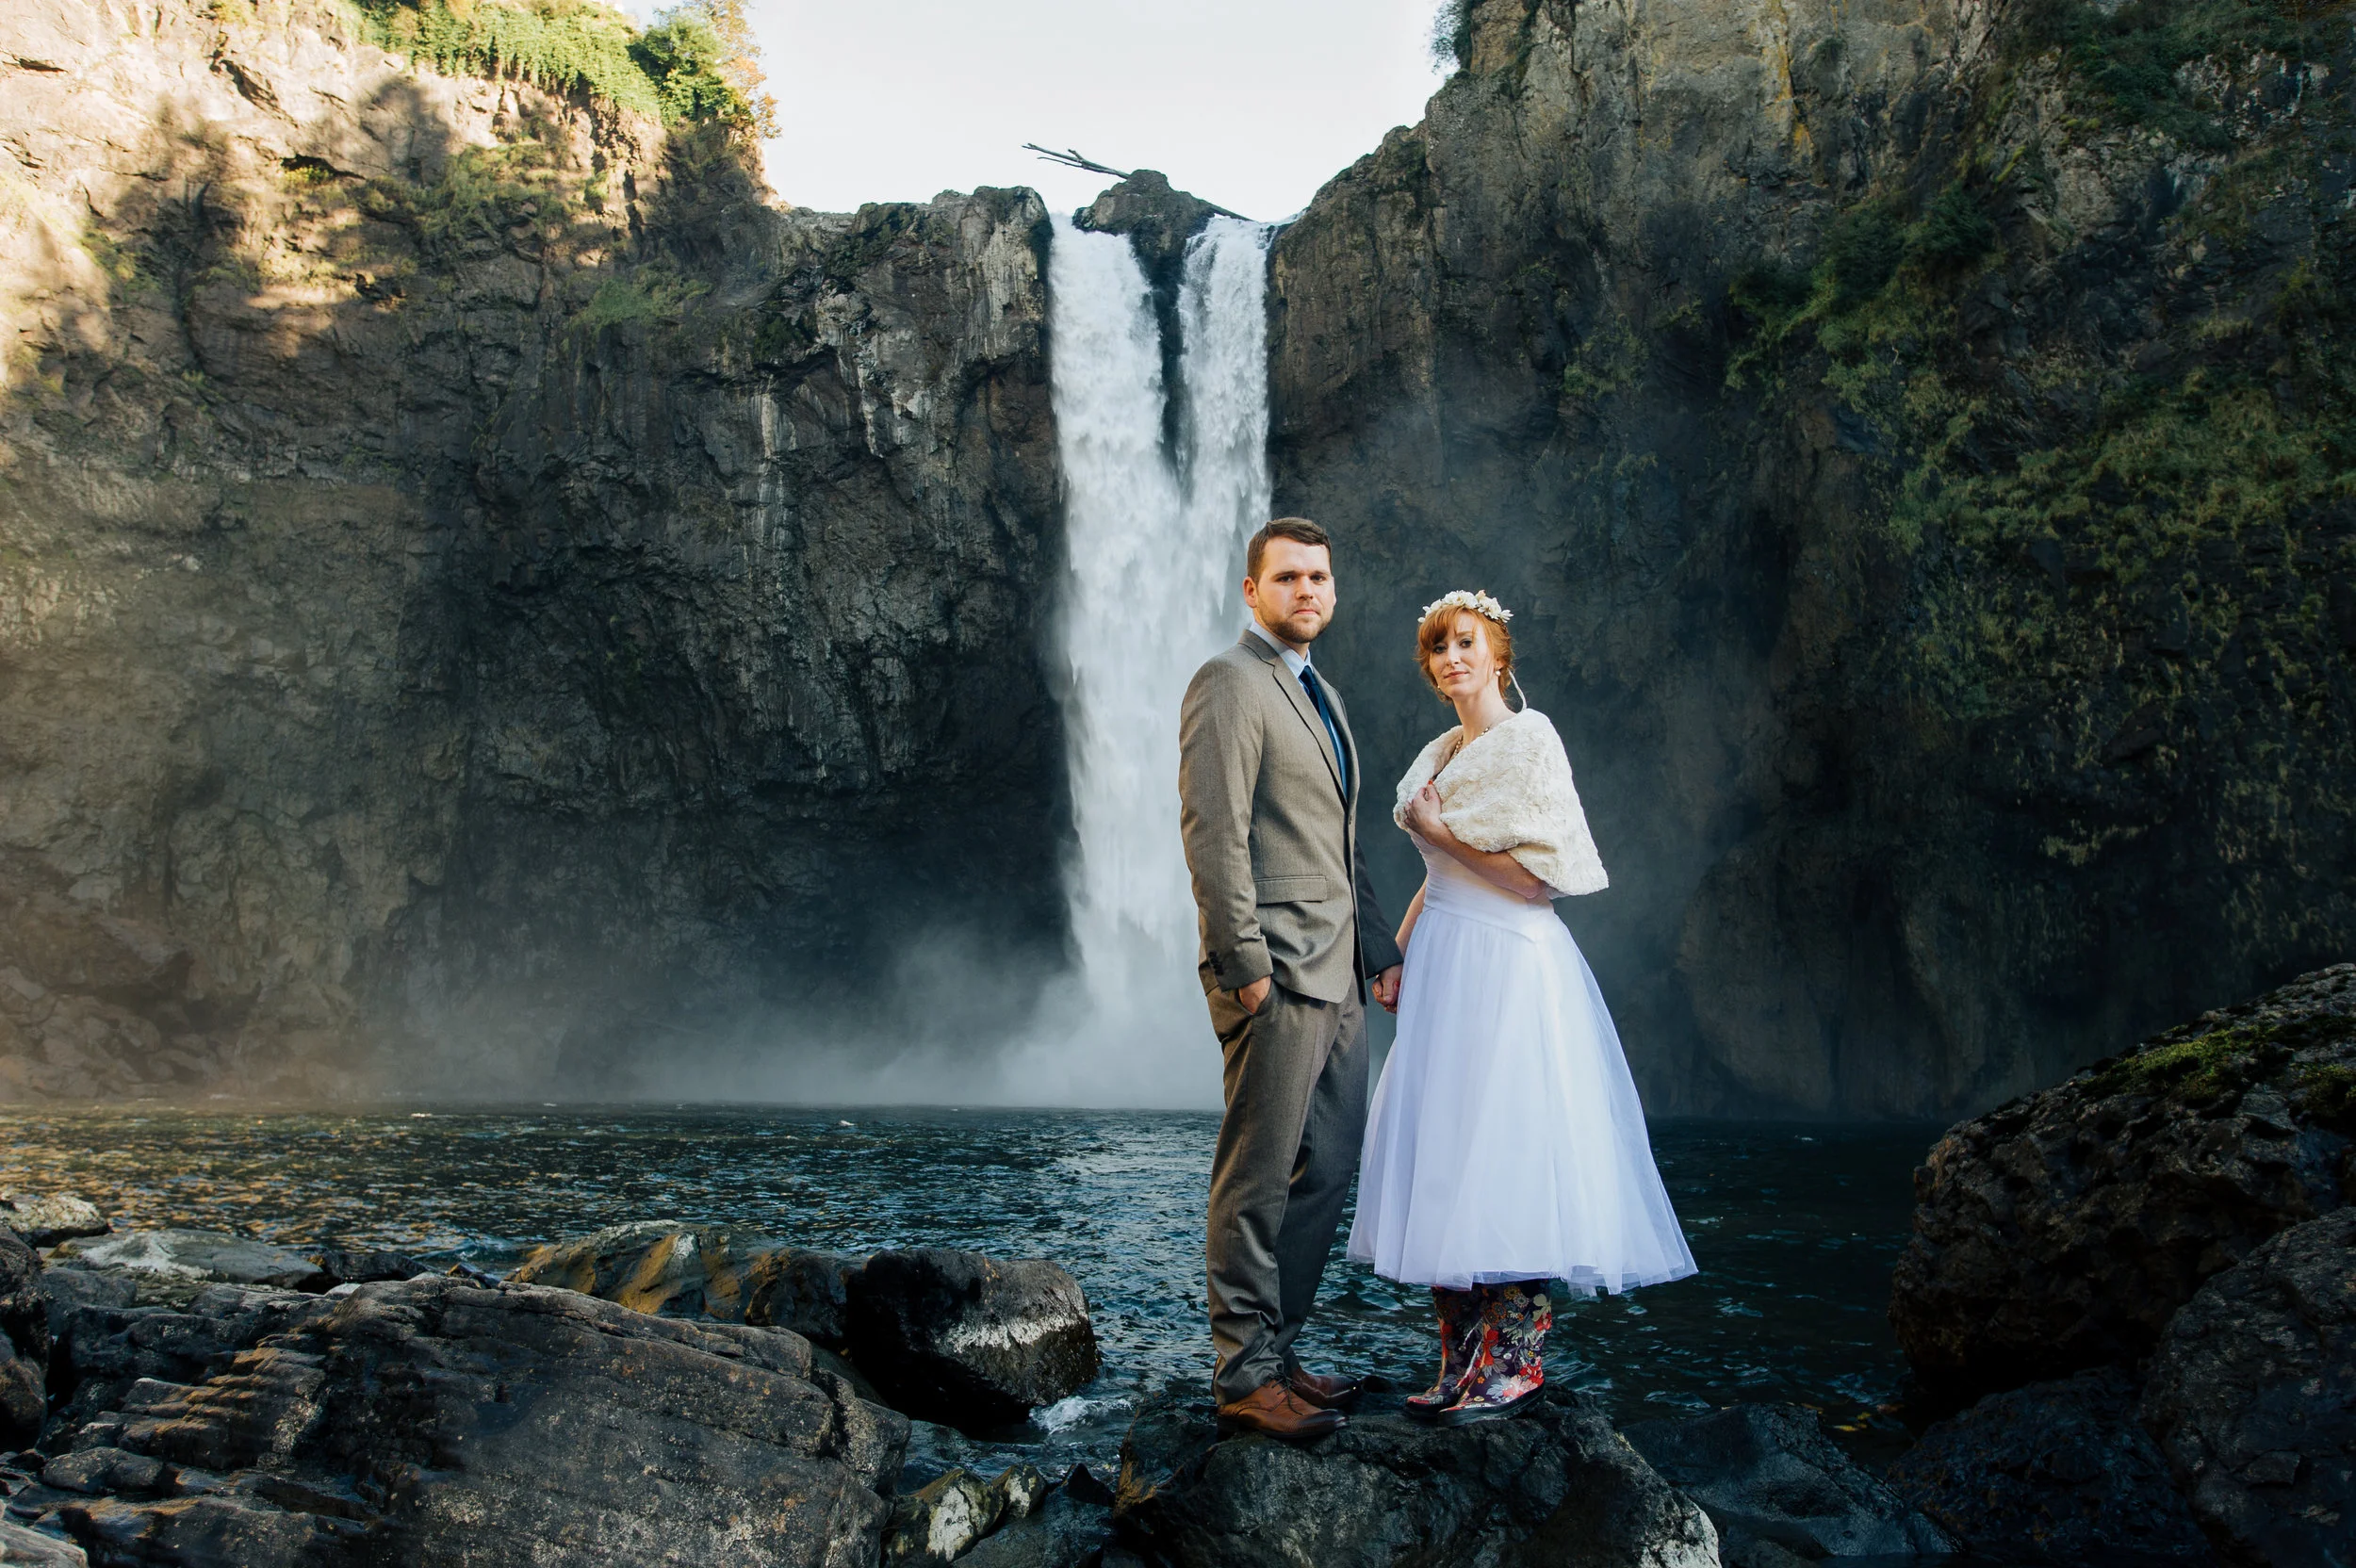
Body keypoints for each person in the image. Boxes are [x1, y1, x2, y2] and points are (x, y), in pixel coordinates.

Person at [1349, 589, 1696, 1425]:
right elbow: (1439, 876)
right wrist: (1394, 952)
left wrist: (1445, 835)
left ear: (1498, 654)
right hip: (1445, 959)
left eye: (1466, 643)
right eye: (1439, 649)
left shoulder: (1530, 741)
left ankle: (1514, 1363)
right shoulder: (1437, 753)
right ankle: (1460, 1360)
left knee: (1504, 1146)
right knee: (1443, 1145)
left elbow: (1539, 884)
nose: (1453, 658)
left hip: (1507, 959)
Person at [1177, 516, 1403, 1442]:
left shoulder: (1323, 695)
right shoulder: (1229, 683)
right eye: (1287, 577)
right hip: (1273, 969)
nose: (1306, 591)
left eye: (1318, 576)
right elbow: (1213, 831)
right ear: (1251, 590)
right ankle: (1242, 1373)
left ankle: (1281, 1353)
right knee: (1258, 1172)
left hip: (1339, 970)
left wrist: (1380, 946)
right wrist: (1245, 968)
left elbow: (1340, 842)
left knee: (1332, 1161)